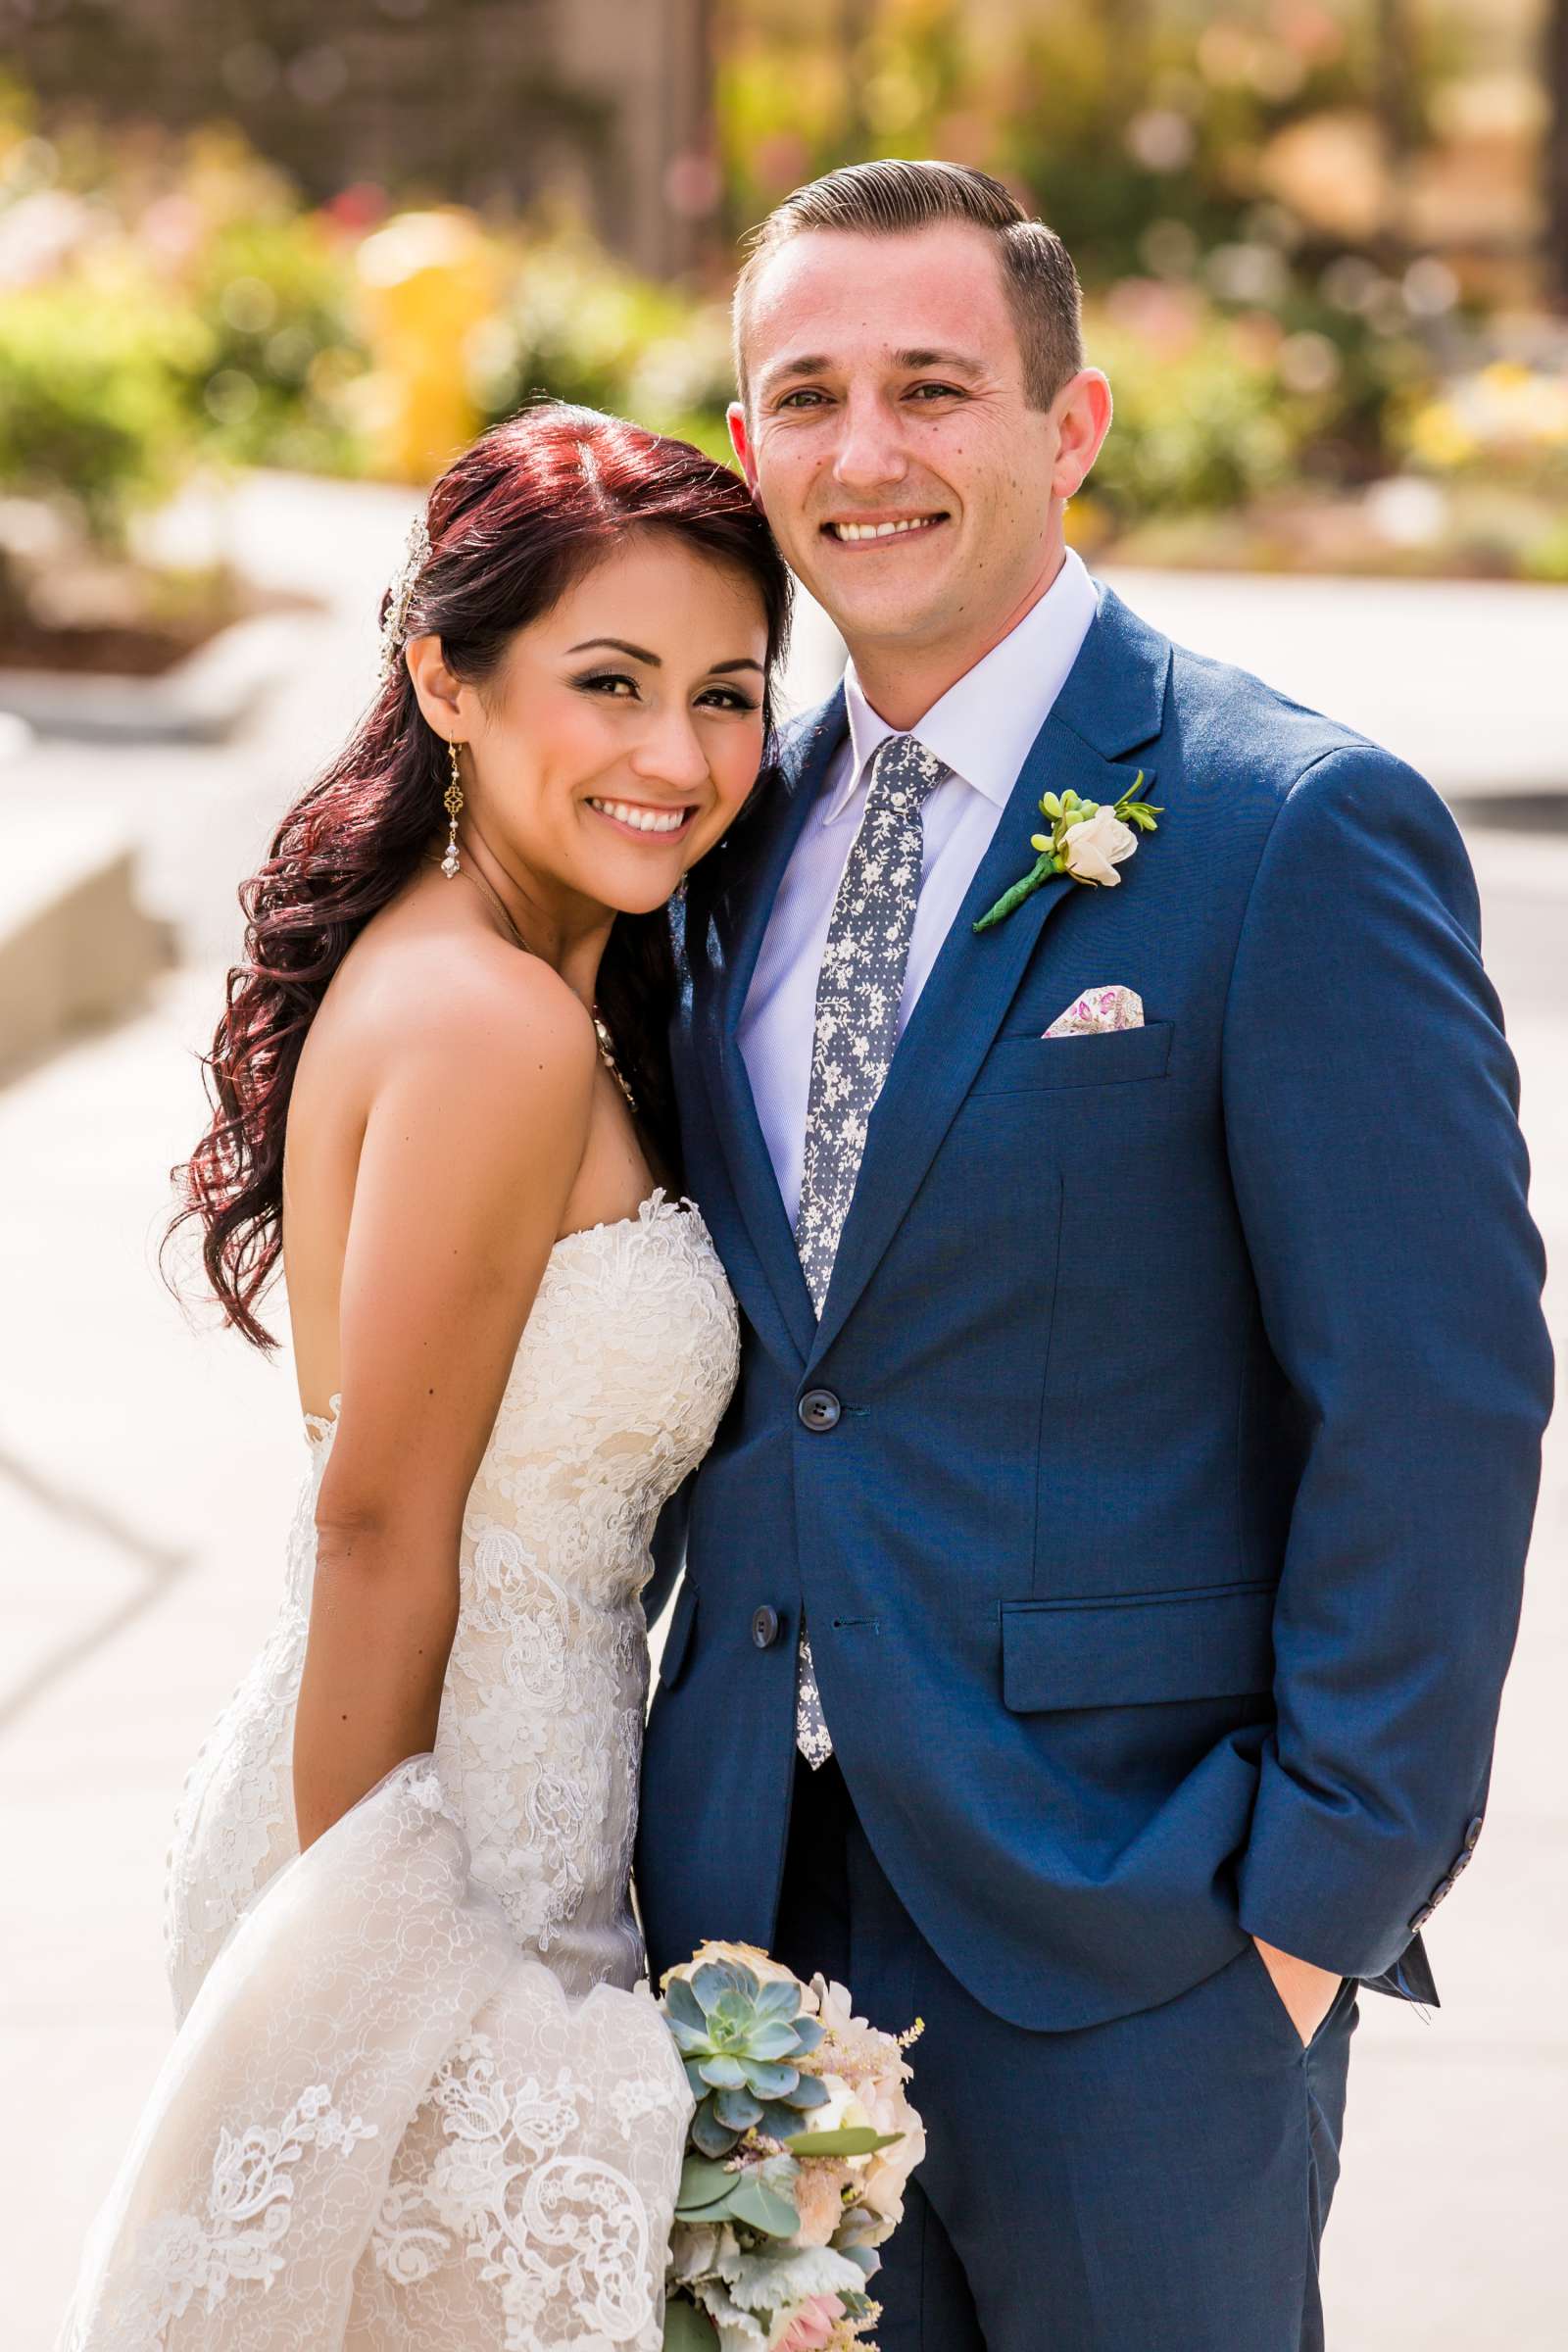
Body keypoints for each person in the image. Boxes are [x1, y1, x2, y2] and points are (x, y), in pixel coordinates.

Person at [635, 161, 1554, 2351]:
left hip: (1139, 1947)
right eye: (807, 395)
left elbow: (1434, 1403)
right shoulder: (708, 827)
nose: (866, 453)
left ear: (1071, 426)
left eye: (932, 388)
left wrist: (1305, 1913)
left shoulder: (1286, 828)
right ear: (746, 449)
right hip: (743, 1927)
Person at [60, 402, 790, 2351]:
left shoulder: (492, 963)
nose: (676, 756)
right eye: (608, 683)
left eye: (726, 694)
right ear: (443, 676)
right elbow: (377, 1519)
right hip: (437, 1853)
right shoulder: (492, 1025)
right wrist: (367, 1982)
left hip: (449, 1810)